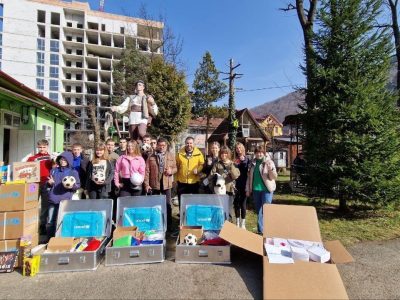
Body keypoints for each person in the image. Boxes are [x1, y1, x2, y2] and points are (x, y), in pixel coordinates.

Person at [144, 137, 177, 232]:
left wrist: (171, 171)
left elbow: (175, 168)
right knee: (154, 206)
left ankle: (169, 226)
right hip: (154, 185)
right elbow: (147, 171)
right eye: (160, 145)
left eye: (164, 145)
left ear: (166, 146)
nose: (162, 147)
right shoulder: (151, 156)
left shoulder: (171, 155)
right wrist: (146, 184)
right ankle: (154, 225)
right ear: (157, 145)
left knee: (168, 205)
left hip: (166, 184)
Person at [46, 151, 80, 239]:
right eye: (61, 159)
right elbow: (48, 182)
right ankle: (50, 239)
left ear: (69, 160)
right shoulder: (53, 170)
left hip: (65, 199)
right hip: (53, 198)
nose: (62, 161)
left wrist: (72, 186)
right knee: (50, 220)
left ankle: (64, 238)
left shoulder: (73, 172)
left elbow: (77, 185)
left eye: (65, 159)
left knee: (64, 220)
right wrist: (49, 183)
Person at [246, 146, 278, 234]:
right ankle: (260, 231)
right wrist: (248, 189)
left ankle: (268, 230)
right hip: (256, 190)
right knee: (259, 211)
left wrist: (271, 169)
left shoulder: (269, 162)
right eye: (257, 152)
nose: (259, 154)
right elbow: (249, 178)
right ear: (255, 154)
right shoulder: (252, 164)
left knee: (267, 211)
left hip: (266, 190)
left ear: (264, 153)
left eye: (261, 152)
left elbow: (274, 177)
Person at [27, 139, 53, 235]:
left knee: (45, 206)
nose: (42, 149)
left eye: (44, 147)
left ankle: (42, 226)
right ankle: (30, 225)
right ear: (38, 147)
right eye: (40, 147)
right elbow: (26, 170)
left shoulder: (51, 158)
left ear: (47, 147)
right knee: (31, 205)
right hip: (34, 184)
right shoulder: (32, 158)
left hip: (46, 184)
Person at [176, 137, 205, 210]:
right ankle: (182, 218)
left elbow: (202, 164)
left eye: (191, 143)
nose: (189, 145)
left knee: (193, 201)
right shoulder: (179, 154)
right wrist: (175, 179)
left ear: (194, 144)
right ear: (185, 144)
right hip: (182, 182)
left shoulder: (199, 154)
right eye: (187, 143)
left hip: (194, 182)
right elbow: (176, 166)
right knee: (182, 201)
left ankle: (192, 218)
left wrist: (198, 170)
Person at [234, 142, 251, 229]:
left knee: (243, 204)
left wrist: (243, 160)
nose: (238, 150)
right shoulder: (235, 159)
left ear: (243, 148)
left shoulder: (247, 158)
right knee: (236, 203)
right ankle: (237, 222)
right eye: (237, 148)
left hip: (245, 184)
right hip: (236, 184)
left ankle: (243, 223)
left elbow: (248, 169)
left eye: (240, 148)